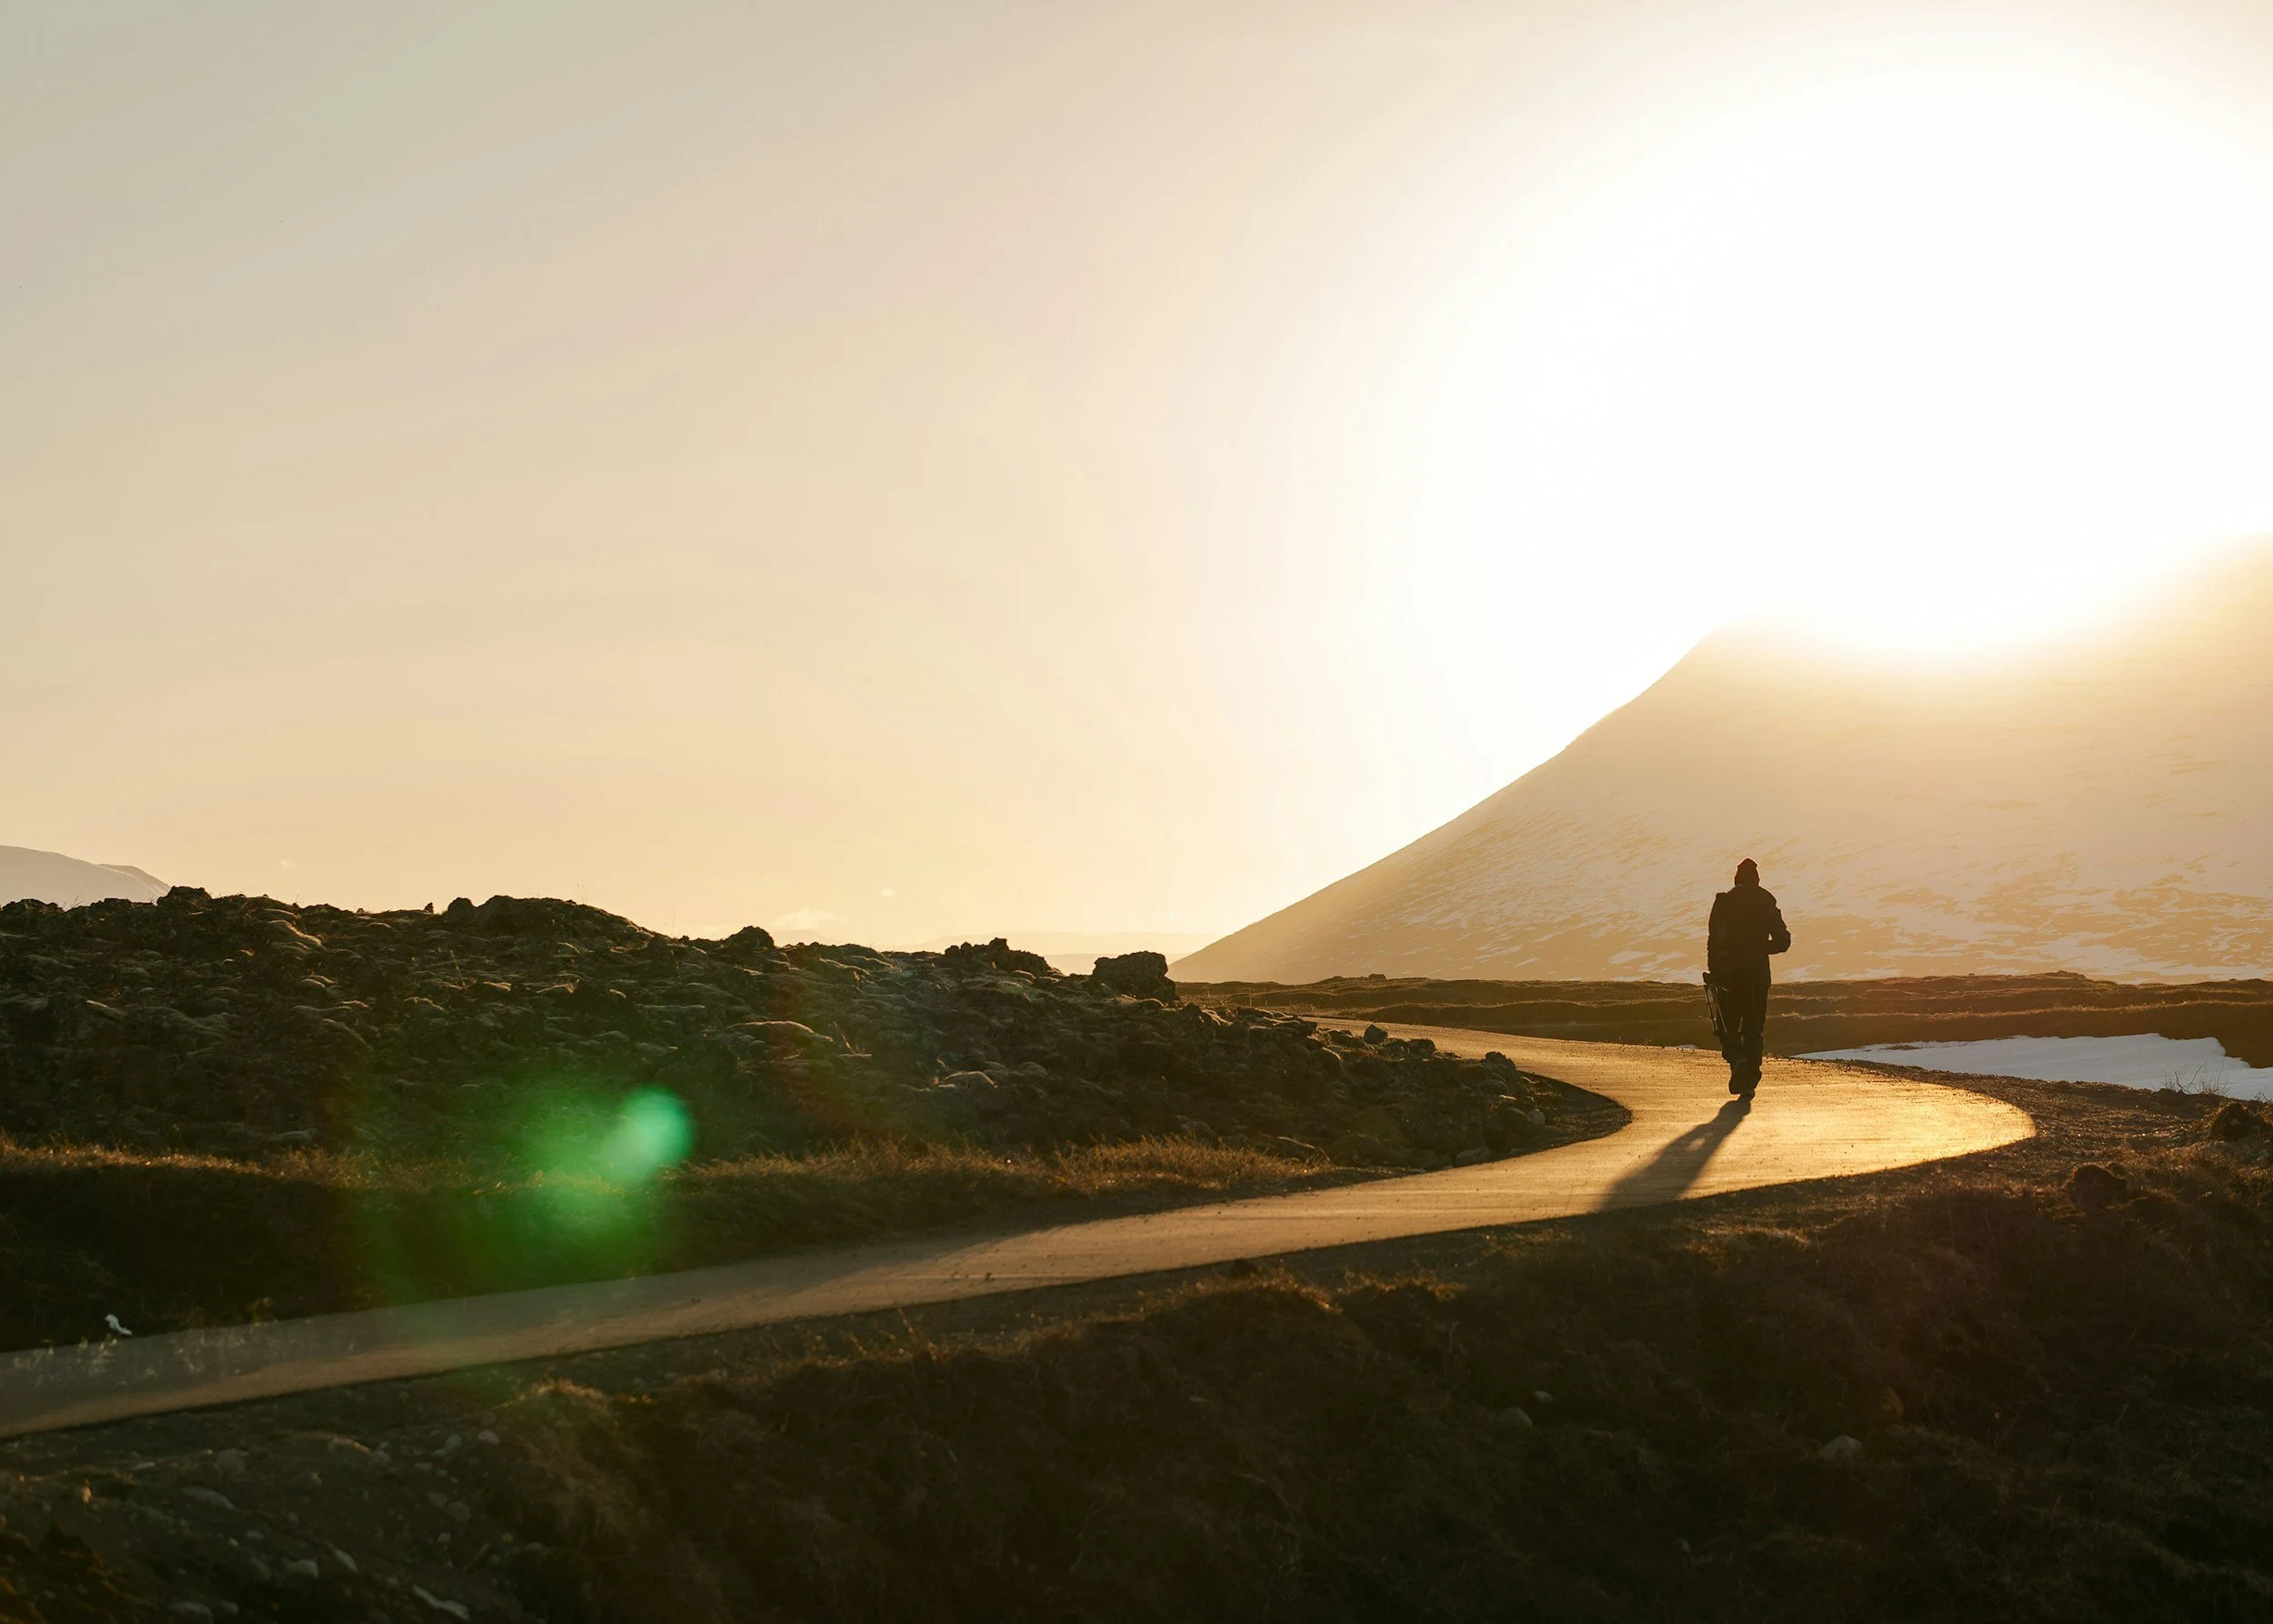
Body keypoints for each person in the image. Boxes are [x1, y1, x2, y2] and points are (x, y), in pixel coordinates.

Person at [1707, 857, 1790, 1098]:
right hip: (1758, 976)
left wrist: (1714, 972)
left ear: (1736, 879)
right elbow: (1783, 941)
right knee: (1754, 1027)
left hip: (1728, 976)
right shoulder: (1766, 901)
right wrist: (1761, 949)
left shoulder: (1724, 902)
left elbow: (1714, 941)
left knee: (1728, 1025)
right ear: (1757, 880)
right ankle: (1751, 1076)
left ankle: (1737, 1060)